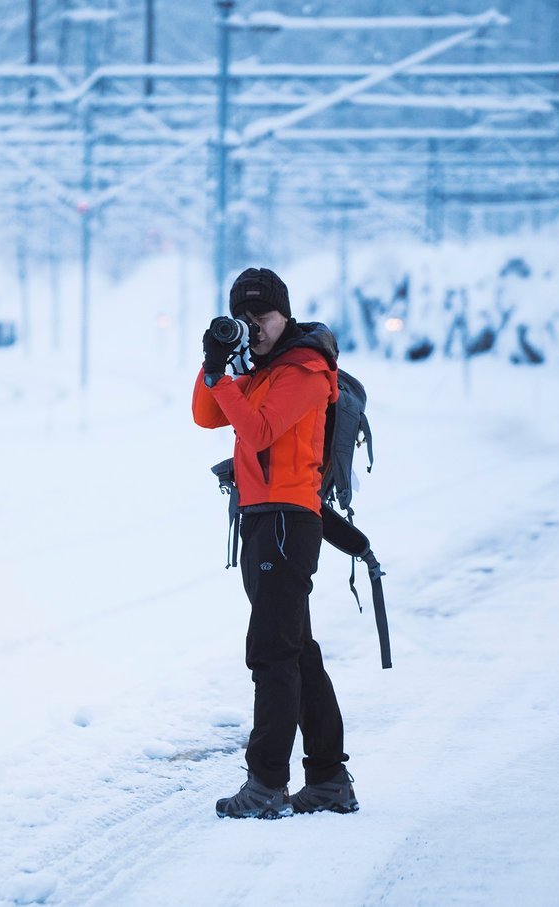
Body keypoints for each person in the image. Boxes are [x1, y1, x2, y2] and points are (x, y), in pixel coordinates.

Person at [192, 266, 358, 820]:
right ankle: (330, 779)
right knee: (296, 651)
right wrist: (214, 364)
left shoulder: (306, 370)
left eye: (261, 317)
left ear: (284, 314)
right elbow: (205, 416)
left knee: (271, 652)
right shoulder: (260, 369)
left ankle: (266, 782)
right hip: (262, 518)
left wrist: (227, 380)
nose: (254, 327)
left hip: (288, 520)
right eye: (244, 318)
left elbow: (259, 432)